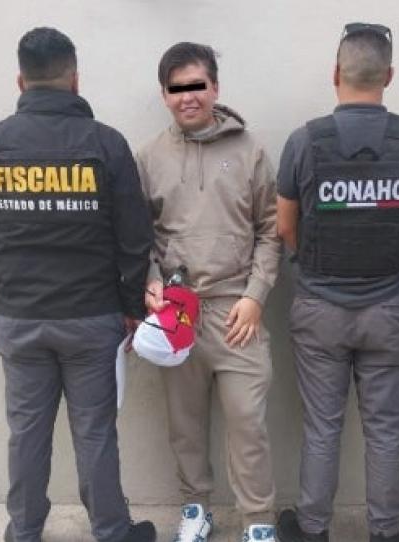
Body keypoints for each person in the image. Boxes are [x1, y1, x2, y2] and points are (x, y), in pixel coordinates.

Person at [0, 27, 155, 542]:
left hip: (19, 318)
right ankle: (112, 531)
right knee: (95, 433)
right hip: (92, 318)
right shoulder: (106, 144)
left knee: (26, 432)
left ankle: (23, 531)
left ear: (21, 81)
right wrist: (132, 307)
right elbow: (134, 237)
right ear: (75, 79)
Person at [275, 23, 399, 542]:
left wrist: (318, 265)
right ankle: (387, 531)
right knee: (385, 429)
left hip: (320, 308)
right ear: (389, 76)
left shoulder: (304, 141)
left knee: (323, 426)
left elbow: (285, 227)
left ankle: (313, 528)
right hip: (388, 307)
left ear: (335, 73)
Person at [135, 42, 281, 542]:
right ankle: (196, 507)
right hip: (177, 314)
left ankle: (258, 521)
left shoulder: (250, 151)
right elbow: (137, 235)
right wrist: (150, 279)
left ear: (215, 88)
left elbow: (271, 230)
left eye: (197, 85)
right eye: (176, 89)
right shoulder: (149, 157)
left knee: (248, 423)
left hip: (237, 311)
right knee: (185, 424)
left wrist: (256, 295)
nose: (188, 97)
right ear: (164, 95)